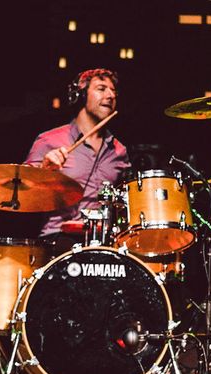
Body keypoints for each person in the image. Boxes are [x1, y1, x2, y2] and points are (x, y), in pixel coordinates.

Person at [24, 68, 129, 244]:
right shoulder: (50, 140)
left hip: (102, 241)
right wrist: (43, 170)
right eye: (101, 89)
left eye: (113, 91)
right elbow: (21, 192)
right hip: (58, 239)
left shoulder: (119, 151)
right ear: (81, 95)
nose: (111, 95)